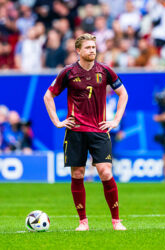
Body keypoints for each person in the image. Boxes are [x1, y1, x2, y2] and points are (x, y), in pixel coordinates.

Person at [43, 33, 128, 231]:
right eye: (88, 47)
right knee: (78, 173)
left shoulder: (105, 71)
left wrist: (115, 120)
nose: (92, 50)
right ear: (78, 51)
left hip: (99, 130)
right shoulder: (68, 72)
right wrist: (57, 121)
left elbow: (123, 93)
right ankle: (83, 222)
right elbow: (48, 96)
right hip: (75, 130)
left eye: (94, 47)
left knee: (105, 172)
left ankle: (116, 221)